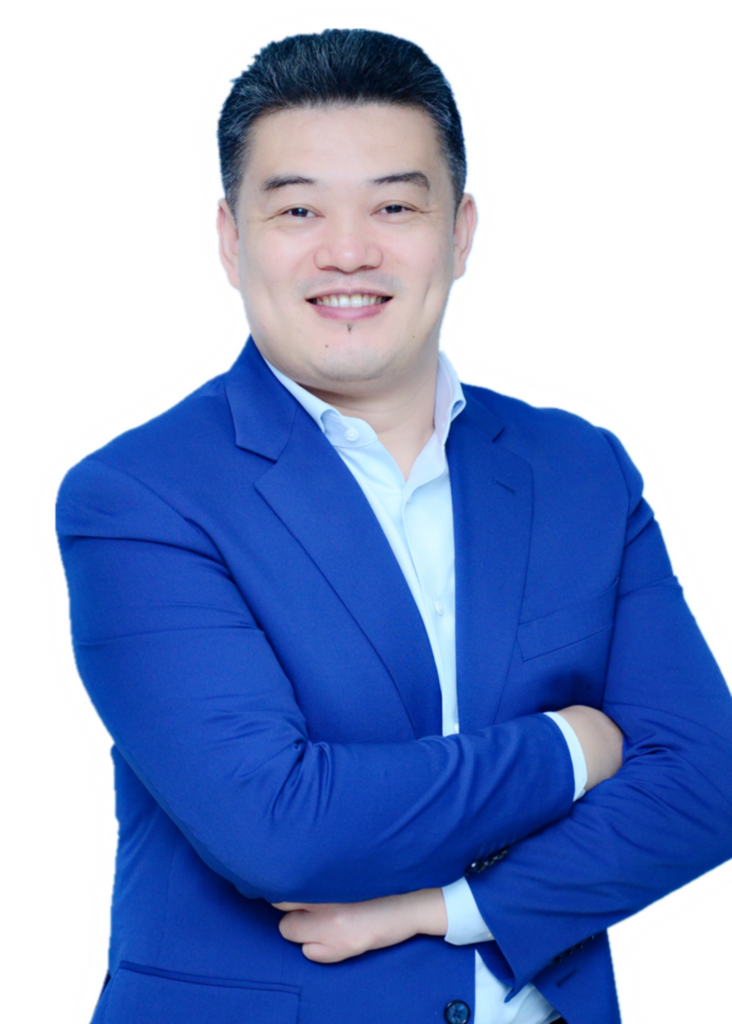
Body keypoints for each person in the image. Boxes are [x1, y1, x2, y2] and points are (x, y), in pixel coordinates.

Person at [56, 28, 732, 1024]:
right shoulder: (140, 497)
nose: (348, 251)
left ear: (460, 233)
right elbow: (279, 826)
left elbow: (708, 780)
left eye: (394, 206)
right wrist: (573, 746)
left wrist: (450, 909)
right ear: (232, 239)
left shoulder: (578, 469)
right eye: (298, 209)